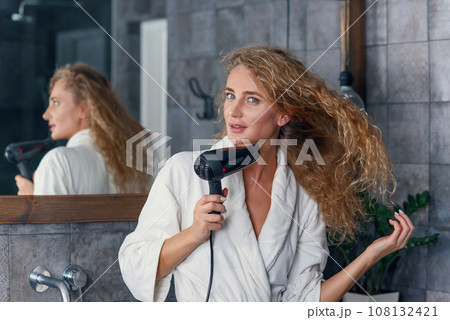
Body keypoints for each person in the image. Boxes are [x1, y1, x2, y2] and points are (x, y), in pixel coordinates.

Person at [118, 46, 414, 302]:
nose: (233, 111)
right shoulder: (184, 172)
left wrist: (370, 256)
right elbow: (135, 265)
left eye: (252, 99)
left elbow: (304, 300)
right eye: (230, 95)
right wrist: (194, 233)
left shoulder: (303, 191)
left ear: (283, 114)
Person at [15, 63, 151, 195]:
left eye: (56, 103)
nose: (46, 115)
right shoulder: (134, 161)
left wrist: (31, 201)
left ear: (84, 109)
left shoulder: (58, 162)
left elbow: (46, 218)